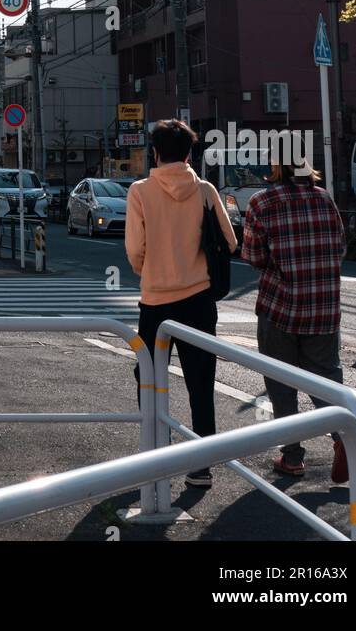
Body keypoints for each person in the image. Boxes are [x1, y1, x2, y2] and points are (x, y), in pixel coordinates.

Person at [125, 119, 237, 489]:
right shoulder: (205, 190)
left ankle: (156, 452)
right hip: (199, 298)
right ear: (189, 153)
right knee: (200, 379)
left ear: (155, 152)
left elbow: (135, 250)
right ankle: (201, 465)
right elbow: (230, 241)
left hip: (155, 300)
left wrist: (151, 270)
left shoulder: (140, 191)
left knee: (149, 376)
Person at [242, 158, 348, 482]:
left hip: (280, 307)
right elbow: (341, 247)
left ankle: (292, 458)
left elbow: (253, 257)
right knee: (326, 380)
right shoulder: (324, 198)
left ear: (275, 164)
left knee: (281, 384)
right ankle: (346, 440)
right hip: (323, 307)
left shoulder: (262, 202)